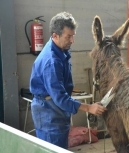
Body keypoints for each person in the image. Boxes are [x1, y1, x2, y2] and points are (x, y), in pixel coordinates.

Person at [29, 12, 107, 149]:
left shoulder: (61, 51)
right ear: (55, 36)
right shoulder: (51, 61)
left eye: (73, 36)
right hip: (49, 114)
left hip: (56, 111)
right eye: (68, 37)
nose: (72, 40)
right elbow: (60, 98)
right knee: (53, 148)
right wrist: (89, 108)